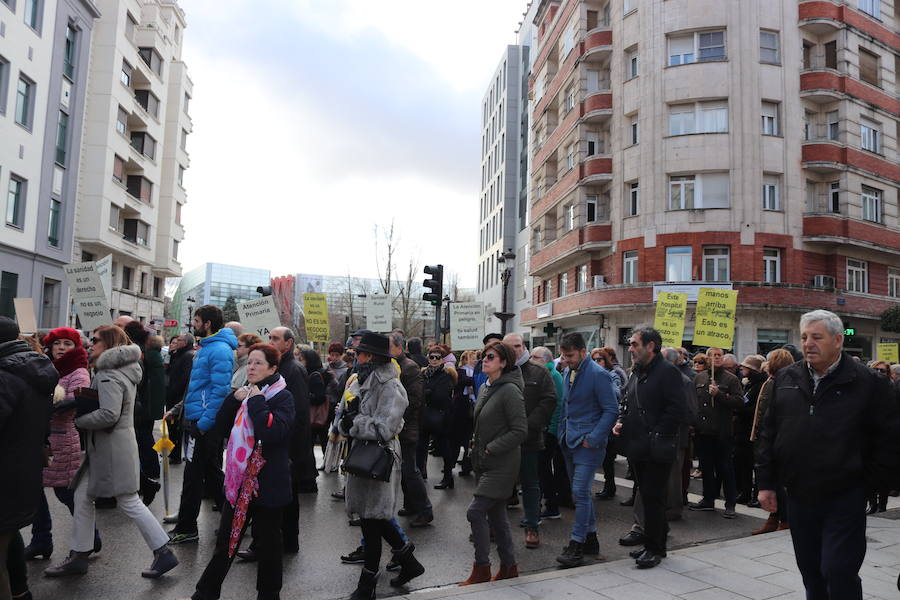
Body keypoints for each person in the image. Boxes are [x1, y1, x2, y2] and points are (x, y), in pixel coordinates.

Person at [756, 309, 900, 599]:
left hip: (844, 496)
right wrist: (766, 482)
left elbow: (888, 438)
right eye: (805, 337)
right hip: (798, 493)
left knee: (838, 569)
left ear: (837, 340)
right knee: (810, 569)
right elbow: (768, 433)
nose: (808, 343)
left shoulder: (869, 382)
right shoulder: (786, 377)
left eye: (816, 337)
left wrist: (866, 483)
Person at [45, 325, 178, 579]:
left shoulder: (108, 374)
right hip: (107, 447)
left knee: (129, 501)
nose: (90, 344)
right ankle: (79, 554)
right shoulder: (118, 369)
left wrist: (79, 420)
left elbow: (109, 414)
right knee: (83, 498)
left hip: (111, 448)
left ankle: (163, 551)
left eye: (95, 340)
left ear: (108, 344)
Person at [178, 343, 295, 600]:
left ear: (273, 368)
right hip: (240, 482)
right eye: (249, 362)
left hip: (269, 485)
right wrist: (234, 400)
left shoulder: (282, 396)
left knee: (269, 546)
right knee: (226, 543)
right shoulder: (246, 393)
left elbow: (271, 432)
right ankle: (205, 592)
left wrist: (255, 402)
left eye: (258, 363)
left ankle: (269, 594)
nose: (251, 367)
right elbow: (220, 428)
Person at [338, 333, 422, 599]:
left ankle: (367, 585)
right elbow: (346, 418)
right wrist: (346, 420)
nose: (355, 357)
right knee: (373, 516)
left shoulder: (390, 386)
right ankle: (409, 562)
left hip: (380, 455)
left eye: (359, 353)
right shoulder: (363, 380)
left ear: (371, 357)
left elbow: (385, 427)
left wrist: (354, 423)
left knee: (372, 519)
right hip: (364, 453)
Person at [613, 332, 687, 569]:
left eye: (635, 344)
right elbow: (627, 400)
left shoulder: (668, 372)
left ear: (651, 346)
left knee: (654, 498)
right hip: (638, 446)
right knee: (646, 495)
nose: (631, 348)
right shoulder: (637, 370)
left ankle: (656, 549)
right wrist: (621, 420)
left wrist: (657, 434)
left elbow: (677, 409)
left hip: (658, 447)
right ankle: (653, 541)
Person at [25, 327, 99, 560]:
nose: (61, 348)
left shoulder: (79, 371)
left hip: (62, 439)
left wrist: (52, 402)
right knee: (34, 490)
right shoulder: (46, 366)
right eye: (57, 344)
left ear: (75, 347)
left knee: (65, 493)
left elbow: (77, 401)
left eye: (67, 344)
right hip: (40, 438)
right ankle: (41, 540)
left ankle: (92, 537)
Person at [167, 305, 237, 545]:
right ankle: (235, 518)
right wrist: (179, 410)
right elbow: (198, 388)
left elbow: (220, 391)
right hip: (197, 418)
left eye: (196, 320)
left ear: (207, 324)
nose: (193, 324)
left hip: (203, 422)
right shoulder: (208, 348)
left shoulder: (218, 350)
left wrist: (204, 423)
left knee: (193, 476)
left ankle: (187, 528)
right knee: (211, 473)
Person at [460, 339, 527, 586]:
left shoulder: (510, 390)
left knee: (475, 512)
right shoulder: (489, 385)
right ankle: (509, 567)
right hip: (484, 461)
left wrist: (491, 448)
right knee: (497, 516)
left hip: (502, 463)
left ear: (504, 363)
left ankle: (482, 568)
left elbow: (520, 430)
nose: (484, 360)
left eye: (490, 357)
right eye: (484, 356)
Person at [0, 318, 59, 596]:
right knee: (8, 535)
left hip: (7, 471)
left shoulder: (6, 376)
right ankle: (22, 592)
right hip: (22, 468)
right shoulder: (32, 371)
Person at [555, 332, 618, 568]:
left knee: (580, 493)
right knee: (578, 493)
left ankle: (577, 543)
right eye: (563, 355)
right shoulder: (566, 371)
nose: (566, 359)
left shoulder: (599, 375)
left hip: (588, 445)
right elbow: (565, 406)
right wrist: (561, 432)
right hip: (568, 441)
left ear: (583, 351)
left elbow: (611, 410)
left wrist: (592, 439)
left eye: (570, 355)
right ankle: (591, 539)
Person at [503, 333, 556, 550]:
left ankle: (532, 527)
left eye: (517, 346)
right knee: (500, 485)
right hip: (504, 440)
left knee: (531, 484)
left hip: (529, 439)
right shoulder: (499, 370)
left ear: (523, 346)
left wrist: (528, 425)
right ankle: (494, 527)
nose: (514, 350)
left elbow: (549, 400)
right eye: (509, 347)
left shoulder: (539, 372)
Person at [267, 327, 313, 555]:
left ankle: (287, 542)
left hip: (288, 446)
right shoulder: (278, 366)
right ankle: (280, 541)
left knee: (287, 496)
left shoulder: (293, 370)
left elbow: (299, 413)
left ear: (289, 343)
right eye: (270, 338)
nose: (271, 341)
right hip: (281, 444)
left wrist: (292, 451)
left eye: (275, 338)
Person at [688, 346, 743, 518]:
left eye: (719, 355)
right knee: (707, 467)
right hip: (703, 432)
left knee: (725, 469)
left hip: (722, 432)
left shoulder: (731, 379)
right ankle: (708, 500)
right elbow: (693, 403)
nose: (717, 358)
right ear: (708, 359)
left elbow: (739, 403)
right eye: (713, 355)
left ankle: (730, 504)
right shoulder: (699, 377)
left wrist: (719, 394)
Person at [389, 333, 433, 528]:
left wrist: (395, 417)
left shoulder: (410, 367)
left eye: (389, 346)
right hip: (398, 426)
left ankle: (425, 510)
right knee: (405, 470)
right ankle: (412, 505)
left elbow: (414, 400)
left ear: (399, 347)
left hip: (406, 427)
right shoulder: (393, 365)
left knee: (410, 470)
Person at [749, 349, 793, 535]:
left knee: (779, 483)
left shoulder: (783, 385)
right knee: (772, 481)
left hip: (777, 441)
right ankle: (774, 518)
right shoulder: (771, 381)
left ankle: (785, 519)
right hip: (764, 439)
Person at [533, 346, 571, 520]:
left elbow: (557, 405)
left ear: (545, 360)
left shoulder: (552, 375)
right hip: (545, 429)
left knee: (543, 469)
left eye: (535, 357)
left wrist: (552, 430)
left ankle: (551, 505)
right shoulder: (543, 374)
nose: (531, 360)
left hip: (548, 431)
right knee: (541, 469)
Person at [417, 346, 457, 488]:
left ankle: (448, 477)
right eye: (432, 357)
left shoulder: (446, 375)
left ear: (442, 360)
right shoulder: (423, 373)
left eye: (437, 357)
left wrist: (427, 392)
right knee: (420, 447)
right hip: (424, 416)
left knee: (444, 448)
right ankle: (420, 474)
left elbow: (441, 396)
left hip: (441, 416)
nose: (434, 360)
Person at [734, 355, 766, 508]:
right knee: (744, 464)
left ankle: (755, 495)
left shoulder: (760, 385)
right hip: (743, 429)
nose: (742, 369)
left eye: (746, 367)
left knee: (753, 465)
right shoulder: (749, 384)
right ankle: (745, 492)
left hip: (751, 430)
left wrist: (740, 408)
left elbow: (755, 408)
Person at [592, 347, 623, 501]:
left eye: (600, 359)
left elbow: (617, 394)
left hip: (609, 421)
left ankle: (609, 487)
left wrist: (605, 381)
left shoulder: (613, 374)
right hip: (596, 420)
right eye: (594, 360)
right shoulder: (591, 375)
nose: (597, 362)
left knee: (608, 458)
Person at [165, 333, 195, 465]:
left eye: (180, 340)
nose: (176, 342)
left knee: (176, 428)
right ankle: (173, 453)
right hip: (172, 394)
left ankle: (175, 455)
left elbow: (184, 378)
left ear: (186, 342)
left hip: (178, 396)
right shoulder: (178, 354)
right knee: (171, 427)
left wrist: (176, 391)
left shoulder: (188, 355)